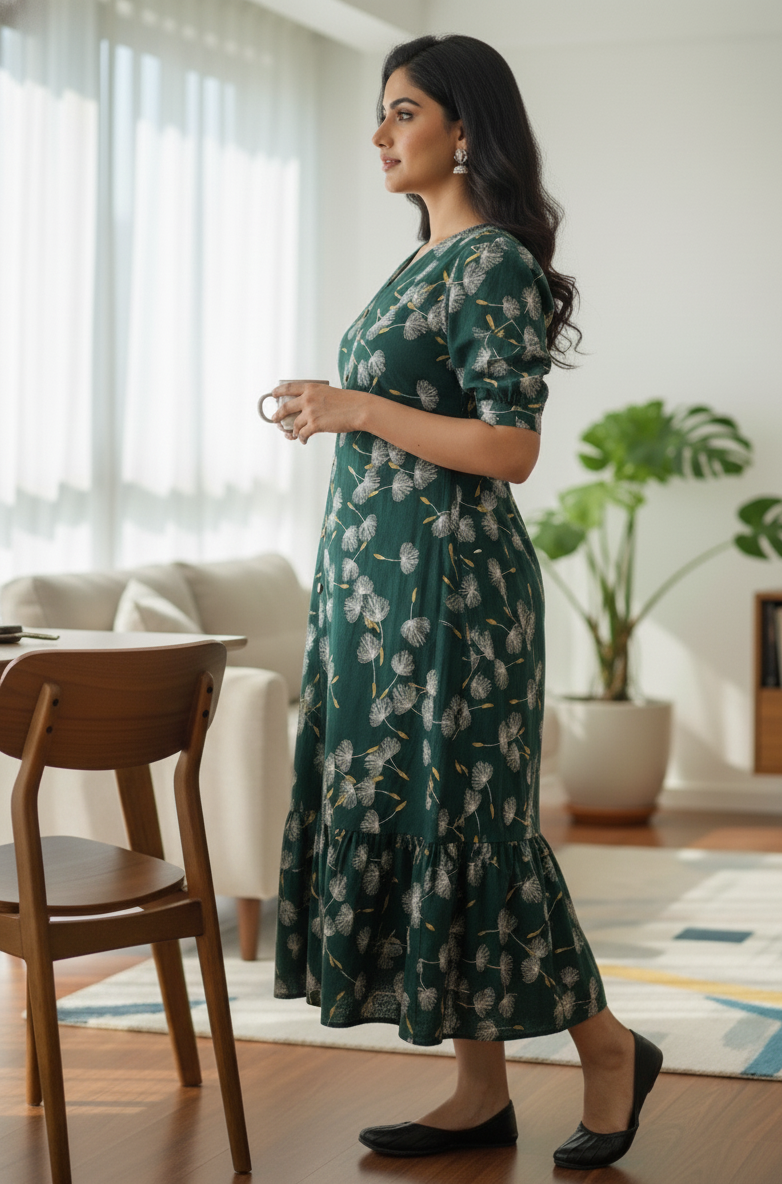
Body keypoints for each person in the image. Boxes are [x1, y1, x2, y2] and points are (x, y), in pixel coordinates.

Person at [272, 33, 662, 1170]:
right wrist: (335, 409)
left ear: (464, 127)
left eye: (402, 112)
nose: (381, 133)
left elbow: (510, 446)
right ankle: (478, 1087)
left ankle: (606, 1047)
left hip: (452, 599)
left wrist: (355, 409)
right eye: (381, 114)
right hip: (376, 598)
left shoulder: (488, 259)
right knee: (418, 818)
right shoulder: (421, 261)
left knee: (470, 827)